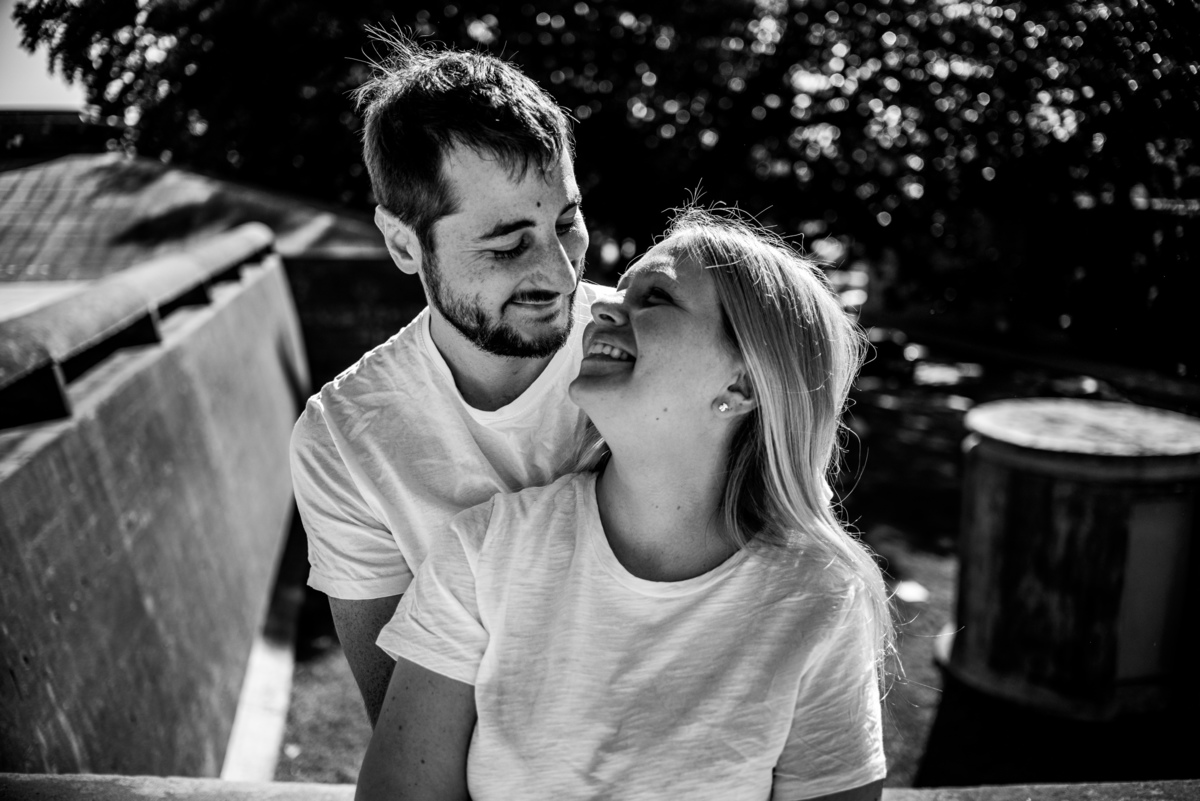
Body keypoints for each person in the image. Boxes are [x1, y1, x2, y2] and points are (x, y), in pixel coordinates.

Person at [357, 207, 893, 801]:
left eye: (655, 297)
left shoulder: (817, 600)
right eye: (623, 290)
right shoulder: (485, 551)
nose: (606, 307)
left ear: (741, 385)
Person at [289, 32, 604, 726]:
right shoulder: (343, 439)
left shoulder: (658, 346)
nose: (559, 273)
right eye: (508, 242)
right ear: (404, 243)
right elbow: (406, 731)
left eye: (568, 221)